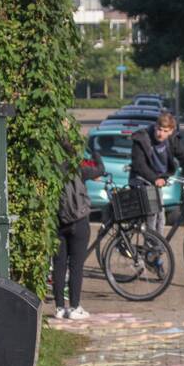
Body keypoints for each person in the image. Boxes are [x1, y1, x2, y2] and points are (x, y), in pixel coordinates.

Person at [53, 131, 105, 320]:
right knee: (76, 266)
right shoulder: (79, 168)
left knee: (58, 264)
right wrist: (95, 151)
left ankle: (59, 307)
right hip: (79, 221)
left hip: (58, 222)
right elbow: (100, 168)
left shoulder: (51, 169)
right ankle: (75, 307)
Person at [129, 111, 184, 235]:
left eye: (165, 131)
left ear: (171, 131)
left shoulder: (171, 140)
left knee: (161, 218)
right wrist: (155, 179)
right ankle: (151, 247)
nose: (161, 134)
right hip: (142, 179)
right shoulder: (143, 138)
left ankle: (157, 248)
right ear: (155, 127)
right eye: (159, 129)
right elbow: (139, 165)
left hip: (156, 181)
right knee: (153, 214)